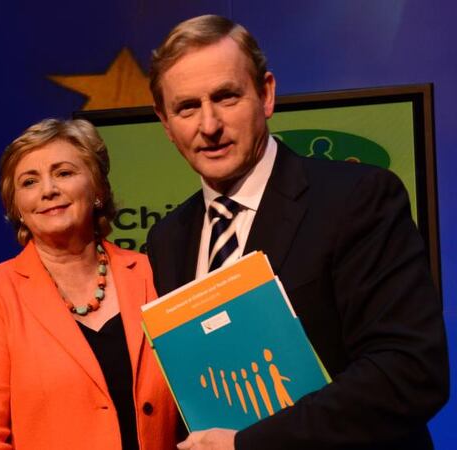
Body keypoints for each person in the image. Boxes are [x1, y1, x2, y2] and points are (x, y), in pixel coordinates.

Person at [146, 15, 449, 449]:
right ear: (165, 122)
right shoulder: (167, 239)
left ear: (266, 94)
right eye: (187, 107)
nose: (208, 126)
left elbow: (410, 372)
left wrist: (249, 445)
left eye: (226, 97)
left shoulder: (357, 199)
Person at [0, 118, 177, 449]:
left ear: (98, 189)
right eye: (29, 182)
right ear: (16, 207)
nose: (48, 190)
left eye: (64, 173)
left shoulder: (151, 273)